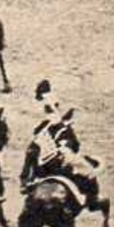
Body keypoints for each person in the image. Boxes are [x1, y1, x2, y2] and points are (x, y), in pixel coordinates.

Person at [24, 79, 103, 209]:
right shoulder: (61, 123)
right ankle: (92, 201)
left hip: (40, 168)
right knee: (87, 170)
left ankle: (28, 182)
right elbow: (73, 145)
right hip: (58, 165)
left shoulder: (43, 125)